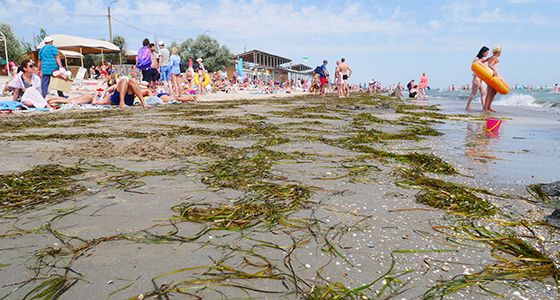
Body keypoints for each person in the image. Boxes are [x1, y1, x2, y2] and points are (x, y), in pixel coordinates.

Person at [466, 46, 490, 111]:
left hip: (482, 78)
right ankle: (467, 106)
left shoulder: (485, 59)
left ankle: (484, 107)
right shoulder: (477, 58)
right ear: (483, 52)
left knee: (483, 93)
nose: (487, 54)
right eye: (486, 53)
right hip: (476, 78)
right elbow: (473, 67)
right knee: (473, 93)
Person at [484, 46, 502, 113]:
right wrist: (494, 70)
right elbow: (490, 65)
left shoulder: (491, 57)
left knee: (494, 92)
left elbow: (484, 61)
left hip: (491, 75)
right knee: (490, 92)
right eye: (500, 51)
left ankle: (488, 107)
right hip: (492, 75)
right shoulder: (495, 58)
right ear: (499, 52)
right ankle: (485, 108)